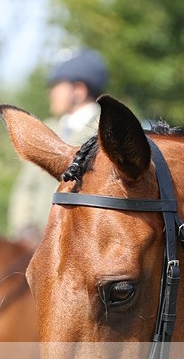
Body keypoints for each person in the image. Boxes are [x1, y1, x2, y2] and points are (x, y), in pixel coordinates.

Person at [8, 49, 109, 242]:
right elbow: (26, 187)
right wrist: (23, 228)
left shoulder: (105, 132)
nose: (50, 92)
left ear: (78, 90)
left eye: (57, 85)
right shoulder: (46, 128)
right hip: (36, 244)